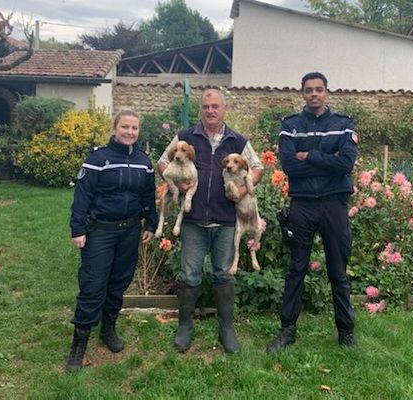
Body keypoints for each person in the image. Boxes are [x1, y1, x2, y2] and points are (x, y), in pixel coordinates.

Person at [158, 89, 263, 354]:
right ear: (200, 110)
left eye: (215, 106)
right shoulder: (184, 138)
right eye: (205, 107)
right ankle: (185, 327)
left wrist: (241, 191)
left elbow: (258, 167)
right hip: (193, 219)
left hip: (226, 220)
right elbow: (162, 163)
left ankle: (226, 328)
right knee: (190, 274)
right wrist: (180, 186)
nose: (210, 111)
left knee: (223, 275)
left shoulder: (237, 140)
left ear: (224, 109)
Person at [267, 72, 359, 353]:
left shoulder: (344, 125)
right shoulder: (290, 126)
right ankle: (287, 331)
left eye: (319, 89)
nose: (314, 94)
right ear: (303, 94)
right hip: (303, 204)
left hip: (334, 204)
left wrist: (310, 156)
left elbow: (345, 165)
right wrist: (325, 161)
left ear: (326, 93)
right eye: (309, 90)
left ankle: (346, 333)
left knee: (338, 272)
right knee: (296, 269)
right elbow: (289, 166)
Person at [66, 110, 157, 372]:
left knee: (119, 283)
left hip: (129, 231)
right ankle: (78, 344)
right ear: (114, 128)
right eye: (125, 127)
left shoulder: (144, 161)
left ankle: (108, 329)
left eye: (134, 128)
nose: (130, 132)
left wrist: (150, 222)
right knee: (93, 285)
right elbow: (82, 196)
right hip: (100, 232)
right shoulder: (98, 159)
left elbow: (148, 196)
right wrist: (77, 229)